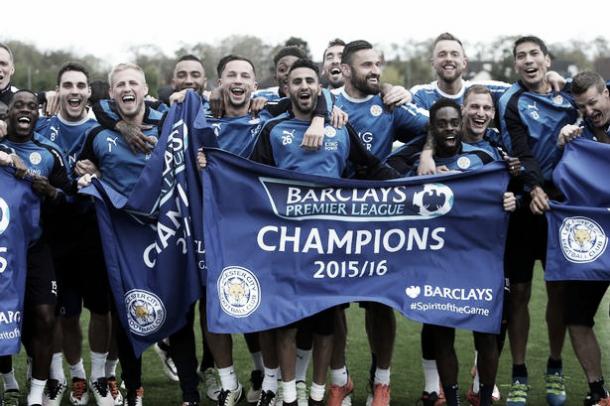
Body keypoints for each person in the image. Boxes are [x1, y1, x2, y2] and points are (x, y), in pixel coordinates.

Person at [332, 39, 428, 406]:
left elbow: (434, 125)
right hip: (334, 222)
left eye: (378, 64)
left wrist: (416, 157)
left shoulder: (387, 104)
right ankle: (340, 379)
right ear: (344, 70)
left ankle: (382, 382)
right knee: (332, 303)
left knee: (380, 302)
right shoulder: (326, 104)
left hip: (380, 222)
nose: (375, 71)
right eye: (367, 65)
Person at [498, 35, 582, 406]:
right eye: (521, 56)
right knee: (518, 293)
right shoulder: (511, 100)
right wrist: (532, 189)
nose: (528, 60)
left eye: (534, 54)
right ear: (516, 64)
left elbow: (600, 94)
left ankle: (555, 365)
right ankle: (518, 373)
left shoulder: (569, 98)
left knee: (559, 291)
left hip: (560, 208)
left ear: (547, 60)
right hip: (522, 205)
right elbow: (520, 150)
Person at [77, 63, 165, 406]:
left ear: (145, 90)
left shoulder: (166, 121)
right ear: (112, 94)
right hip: (114, 236)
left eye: (134, 83)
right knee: (118, 308)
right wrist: (85, 170)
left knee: (171, 310)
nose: (127, 89)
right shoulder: (99, 133)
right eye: (120, 85)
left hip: (159, 236)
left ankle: (185, 380)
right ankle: (121, 383)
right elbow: (80, 168)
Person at [34, 62, 116, 406]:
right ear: (58, 90)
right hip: (55, 235)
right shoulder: (43, 127)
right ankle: (76, 375)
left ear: (88, 92)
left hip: (95, 233)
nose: (75, 91)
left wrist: (100, 169)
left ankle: (99, 377)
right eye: (67, 85)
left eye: (81, 85)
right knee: (65, 314)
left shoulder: (103, 130)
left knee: (101, 310)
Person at [0, 90, 74, 406]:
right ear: (9, 113)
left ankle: (35, 395)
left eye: (32, 106)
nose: (26, 110)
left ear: (39, 114)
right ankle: (8, 384)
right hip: (4, 248)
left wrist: (52, 191)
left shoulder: (50, 153)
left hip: (36, 247)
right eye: (20, 105)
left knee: (44, 317)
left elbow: (71, 199)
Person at [555, 71, 610, 406]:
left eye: (593, 102)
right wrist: (564, 146)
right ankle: (598, 391)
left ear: (606, 93)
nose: (589, 111)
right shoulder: (577, 133)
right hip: (594, 235)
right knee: (575, 315)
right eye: (582, 107)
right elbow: (557, 178)